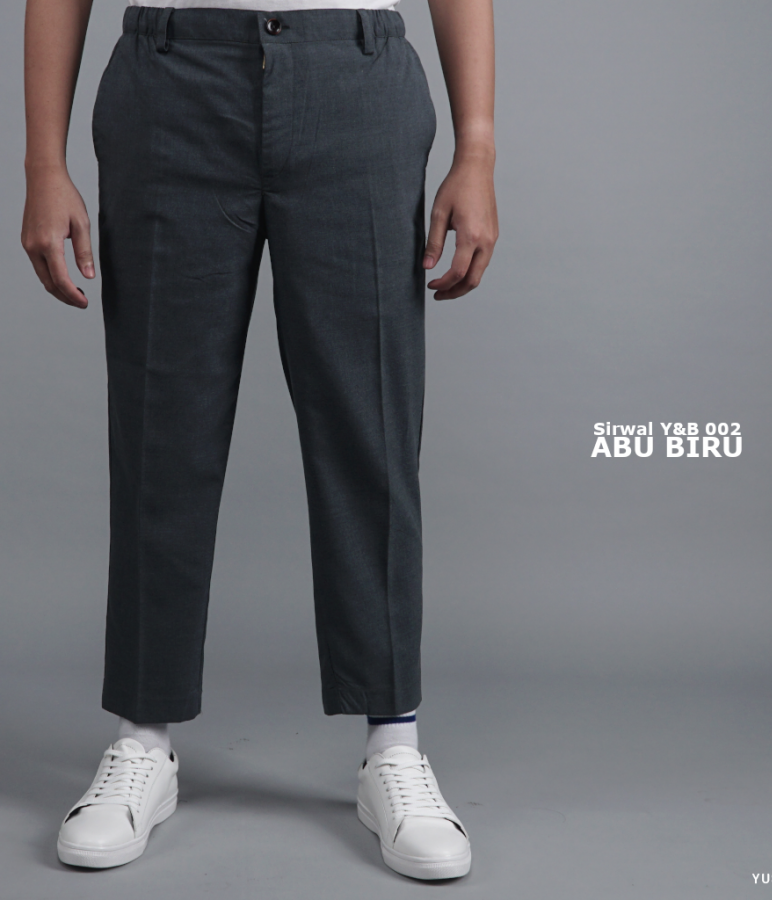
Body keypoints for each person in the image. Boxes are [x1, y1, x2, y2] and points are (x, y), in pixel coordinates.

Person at [21, 0, 497, 880]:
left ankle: (393, 746)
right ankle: (142, 740)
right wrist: (42, 162)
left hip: (355, 81)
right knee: (161, 426)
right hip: (171, 80)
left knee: (371, 430)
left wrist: (478, 148)